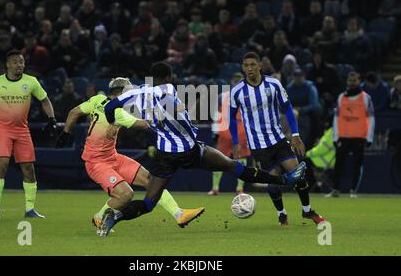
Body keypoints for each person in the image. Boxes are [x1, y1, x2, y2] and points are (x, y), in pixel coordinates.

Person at [98, 61, 306, 236]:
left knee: (149, 202)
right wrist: (186, 122)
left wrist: (112, 120)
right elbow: (173, 107)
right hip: (189, 149)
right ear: (169, 77)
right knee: (233, 166)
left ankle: (116, 216)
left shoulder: (137, 93)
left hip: (165, 155)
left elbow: (109, 107)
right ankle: (284, 180)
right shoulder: (168, 89)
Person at [56, 77, 204, 236]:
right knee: (126, 195)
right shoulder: (119, 113)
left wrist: (65, 134)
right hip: (97, 163)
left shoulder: (97, 99)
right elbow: (145, 125)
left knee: (151, 181)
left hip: (112, 157)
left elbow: (74, 112)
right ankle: (100, 217)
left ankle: (178, 214)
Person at [230, 52, 324, 226]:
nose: (249, 68)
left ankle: (307, 210)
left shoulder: (273, 84)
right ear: (243, 68)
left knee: (297, 174)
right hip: (258, 146)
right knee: (273, 183)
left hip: (279, 140)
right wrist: (235, 142)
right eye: (246, 65)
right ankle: (282, 214)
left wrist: (295, 135)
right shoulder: (237, 92)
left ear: (259, 65)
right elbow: (231, 119)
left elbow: (288, 109)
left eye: (252, 64)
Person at [0, 49, 57, 219]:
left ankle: (30, 209)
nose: (19, 65)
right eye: (15, 62)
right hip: (3, 130)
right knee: (2, 165)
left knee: (29, 170)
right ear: (7, 64)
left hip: (22, 131)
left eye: (21, 62)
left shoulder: (31, 82)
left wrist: (52, 118)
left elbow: (45, 100)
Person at [327, 72, 375, 198]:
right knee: (338, 165)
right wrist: (335, 136)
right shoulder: (341, 97)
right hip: (344, 136)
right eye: (350, 80)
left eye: (354, 80)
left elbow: (371, 118)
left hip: (359, 137)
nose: (352, 82)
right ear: (347, 81)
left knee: (357, 165)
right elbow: (336, 118)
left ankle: (353, 191)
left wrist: (369, 137)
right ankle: (335, 190)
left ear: (359, 81)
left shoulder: (365, 97)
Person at [209, 73, 251, 195]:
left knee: (241, 160)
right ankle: (215, 188)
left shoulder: (248, 98)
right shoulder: (222, 96)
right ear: (231, 82)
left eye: (239, 81)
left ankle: (239, 189)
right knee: (218, 159)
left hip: (242, 134)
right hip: (225, 134)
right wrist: (215, 132)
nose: (237, 83)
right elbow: (217, 115)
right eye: (235, 80)